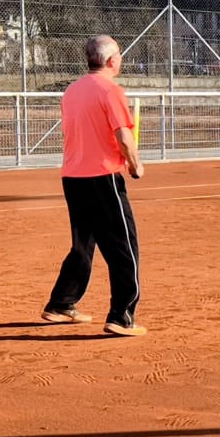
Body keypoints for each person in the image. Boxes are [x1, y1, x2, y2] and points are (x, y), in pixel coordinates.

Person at [42, 35, 147, 336]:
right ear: (112, 60)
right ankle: (121, 316)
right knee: (123, 248)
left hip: (73, 177)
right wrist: (135, 164)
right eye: (119, 55)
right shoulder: (110, 90)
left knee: (83, 244)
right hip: (103, 177)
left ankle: (61, 303)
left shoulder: (72, 90)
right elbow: (123, 136)